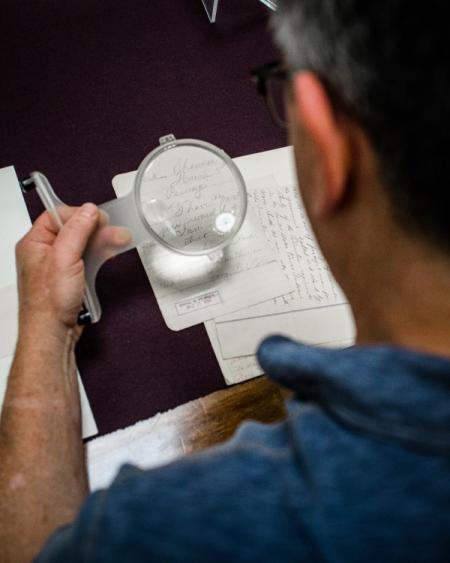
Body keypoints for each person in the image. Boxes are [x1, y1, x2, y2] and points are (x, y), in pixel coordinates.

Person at [1, 0, 450, 561]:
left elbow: (35, 550)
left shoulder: (194, 526)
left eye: (279, 89)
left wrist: (47, 324)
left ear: (327, 140)